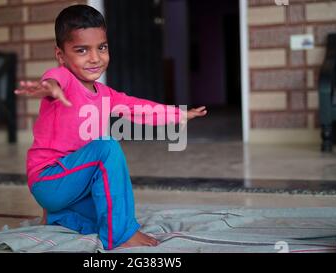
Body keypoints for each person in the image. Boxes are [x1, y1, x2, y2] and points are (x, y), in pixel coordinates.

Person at [14, 4, 207, 250]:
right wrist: (49, 87)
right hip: (49, 180)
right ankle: (119, 237)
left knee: (105, 211)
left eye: (101, 48)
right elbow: (54, 79)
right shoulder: (64, 80)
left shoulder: (105, 94)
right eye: (82, 50)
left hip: (71, 186)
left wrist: (178, 114)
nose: (95, 58)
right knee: (106, 147)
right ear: (61, 56)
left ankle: (56, 216)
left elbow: (139, 108)